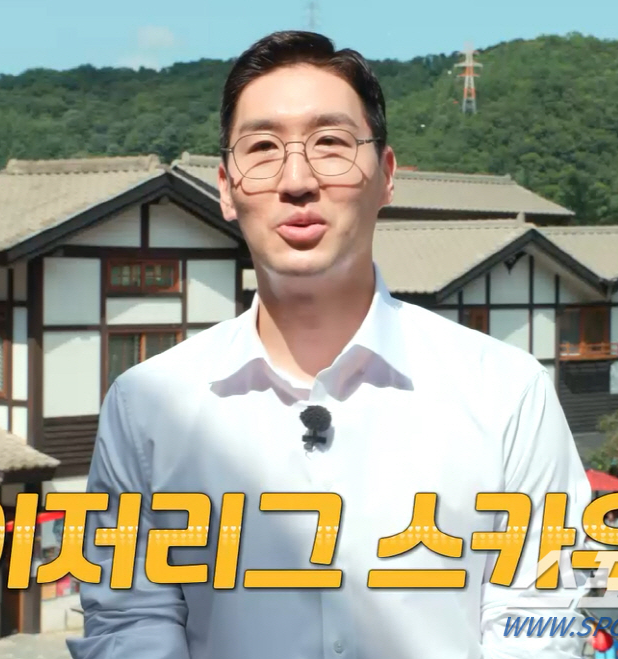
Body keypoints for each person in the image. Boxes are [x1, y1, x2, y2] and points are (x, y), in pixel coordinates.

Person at [67, 30, 591, 659]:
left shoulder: (505, 393)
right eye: (263, 148)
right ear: (227, 188)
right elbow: (130, 622)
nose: (297, 180)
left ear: (386, 176)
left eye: (331, 144)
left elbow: (539, 618)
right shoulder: (147, 405)